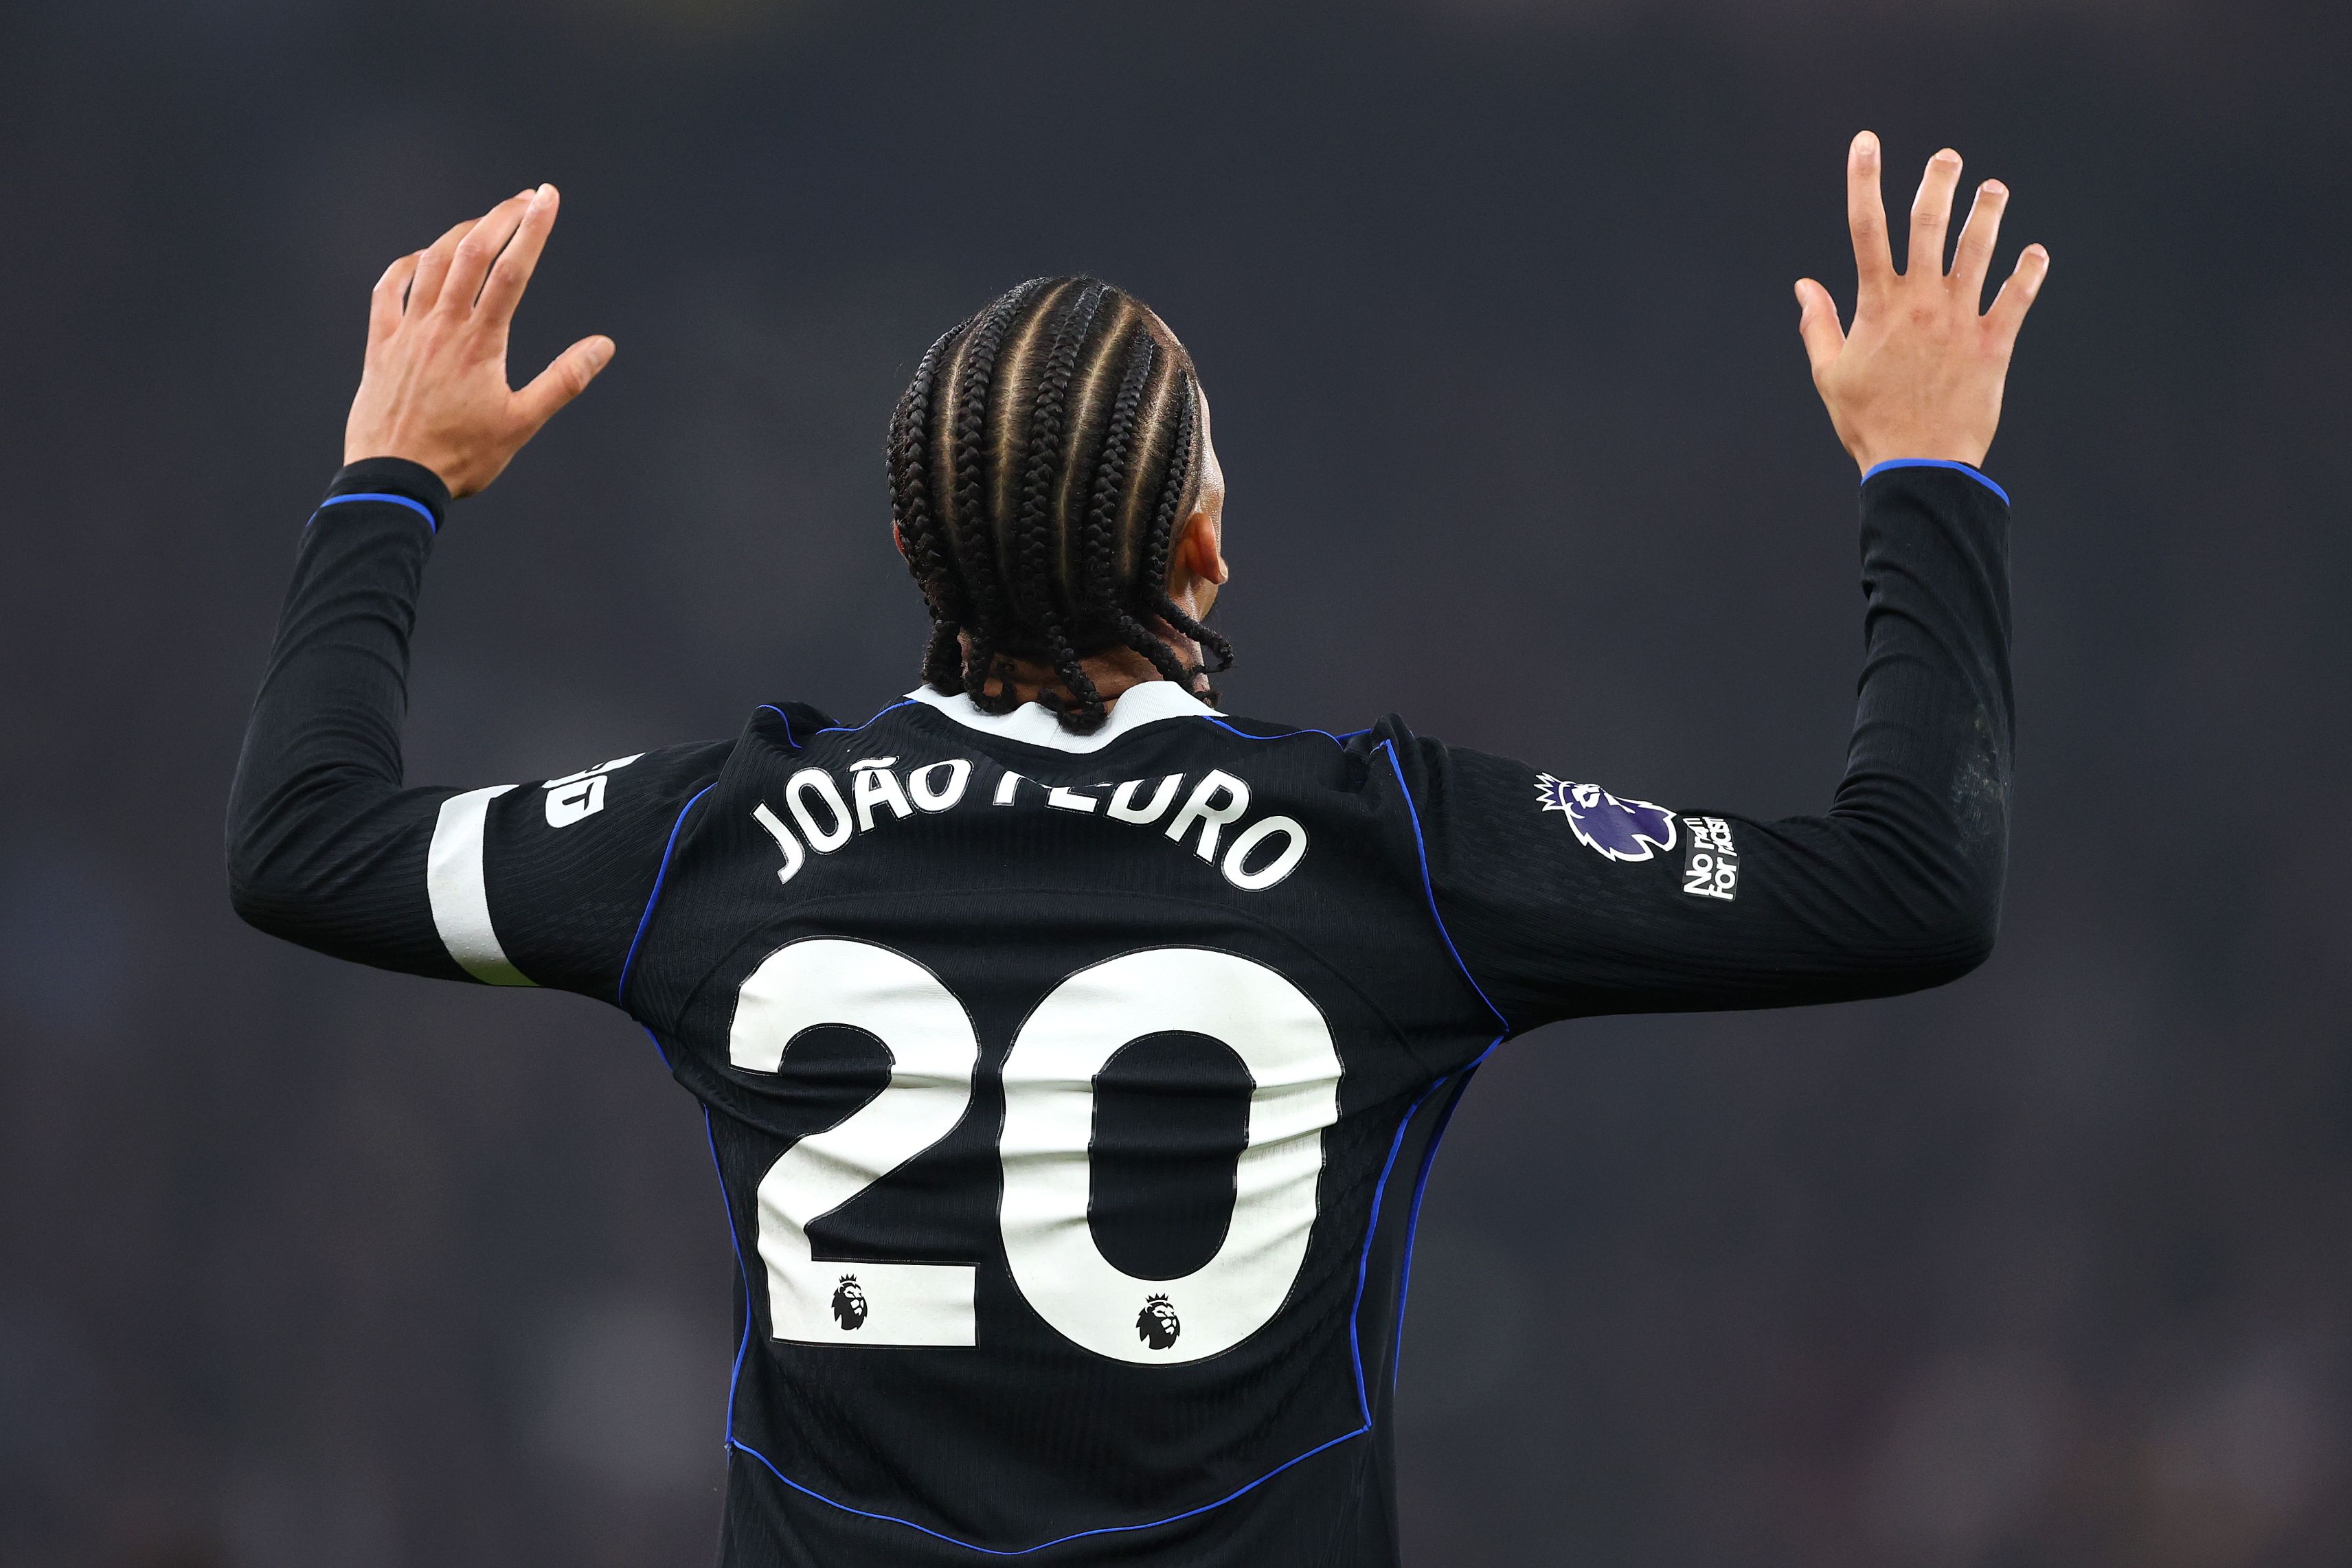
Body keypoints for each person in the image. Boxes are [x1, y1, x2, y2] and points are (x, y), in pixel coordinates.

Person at [227, 137, 2047, 1566]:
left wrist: (390, 476)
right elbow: (1910, 880)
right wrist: (1929, 469)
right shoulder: (1392, 855)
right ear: (1201, 547)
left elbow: (305, 841)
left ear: (907, 551)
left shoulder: (725, 843)